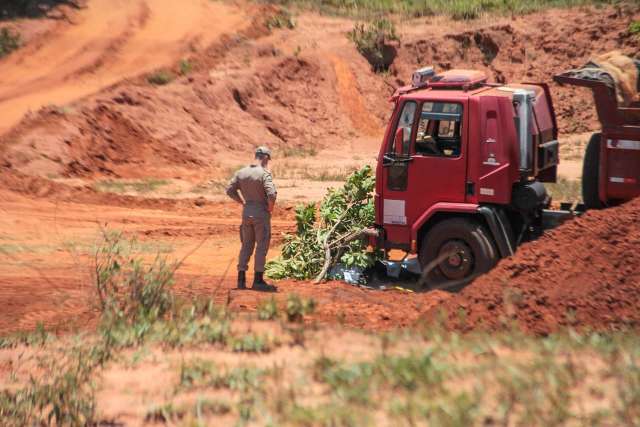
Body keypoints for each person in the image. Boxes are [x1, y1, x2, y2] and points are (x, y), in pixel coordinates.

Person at [226, 146, 278, 292]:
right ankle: (258, 280)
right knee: (261, 246)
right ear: (266, 158)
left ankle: (241, 280)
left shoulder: (241, 172)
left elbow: (229, 190)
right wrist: (270, 208)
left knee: (246, 245)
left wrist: (242, 202)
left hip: (246, 212)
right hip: (261, 213)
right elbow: (272, 194)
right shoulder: (264, 173)